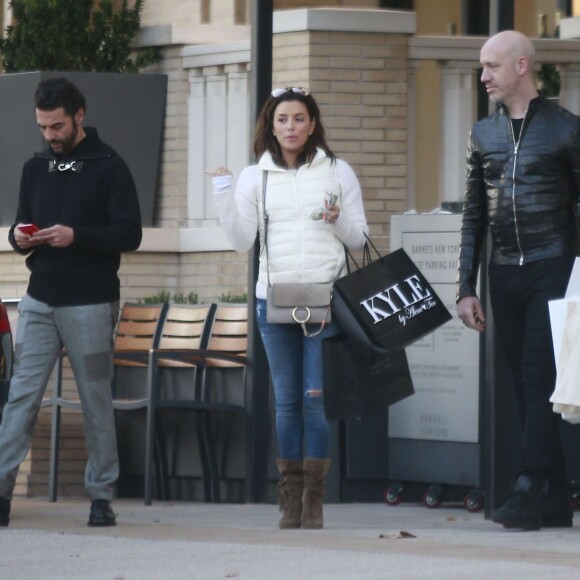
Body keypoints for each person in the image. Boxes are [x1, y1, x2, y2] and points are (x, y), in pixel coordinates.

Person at [208, 87, 368, 529]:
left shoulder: (338, 171)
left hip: (326, 300)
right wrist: (223, 192)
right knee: (286, 402)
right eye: (282, 120)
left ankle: (313, 501)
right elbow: (242, 241)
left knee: (315, 400)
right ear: (271, 125)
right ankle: (290, 498)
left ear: (313, 124)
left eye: (299, 119)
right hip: (273, 300)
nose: (291, 127)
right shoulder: (254, 177)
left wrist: (337, 220)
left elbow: (359, 238)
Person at [0, 77, 142, 528]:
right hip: (40, 298)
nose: (50, 135)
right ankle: (1, 489)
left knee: (95, 397)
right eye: (43, 127)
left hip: (91, 302)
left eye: (57, 126)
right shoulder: (35, 166)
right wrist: (21, 238)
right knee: (21, 397)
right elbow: (22, 224)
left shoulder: (109, 165)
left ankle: (101, 496)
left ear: (79, 116)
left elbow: (129, 233)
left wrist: (75, 236)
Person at [457, 30, 580, 530]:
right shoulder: (482, 135)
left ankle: (531, 485)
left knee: (538, 379)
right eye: (482, 66)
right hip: (504, 272)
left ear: (521, 66)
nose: (483, 76)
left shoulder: (567, 129)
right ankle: (551, 491)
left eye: (491, 66)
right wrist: (465, 286)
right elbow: (473, 214)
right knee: (523, 384)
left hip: (554, 266)